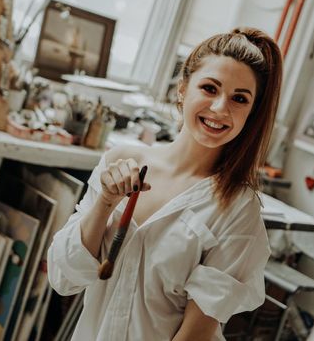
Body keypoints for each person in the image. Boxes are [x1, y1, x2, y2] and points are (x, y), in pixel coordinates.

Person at [47, 27, 283, 341]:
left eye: (239, 99)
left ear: (251, 114)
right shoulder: (121, 161)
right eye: (210, 88)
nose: (220, 109)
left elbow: (195, 335)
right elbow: (65, 278)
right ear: (183, 89)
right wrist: (105, 202)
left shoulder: (238, 208)